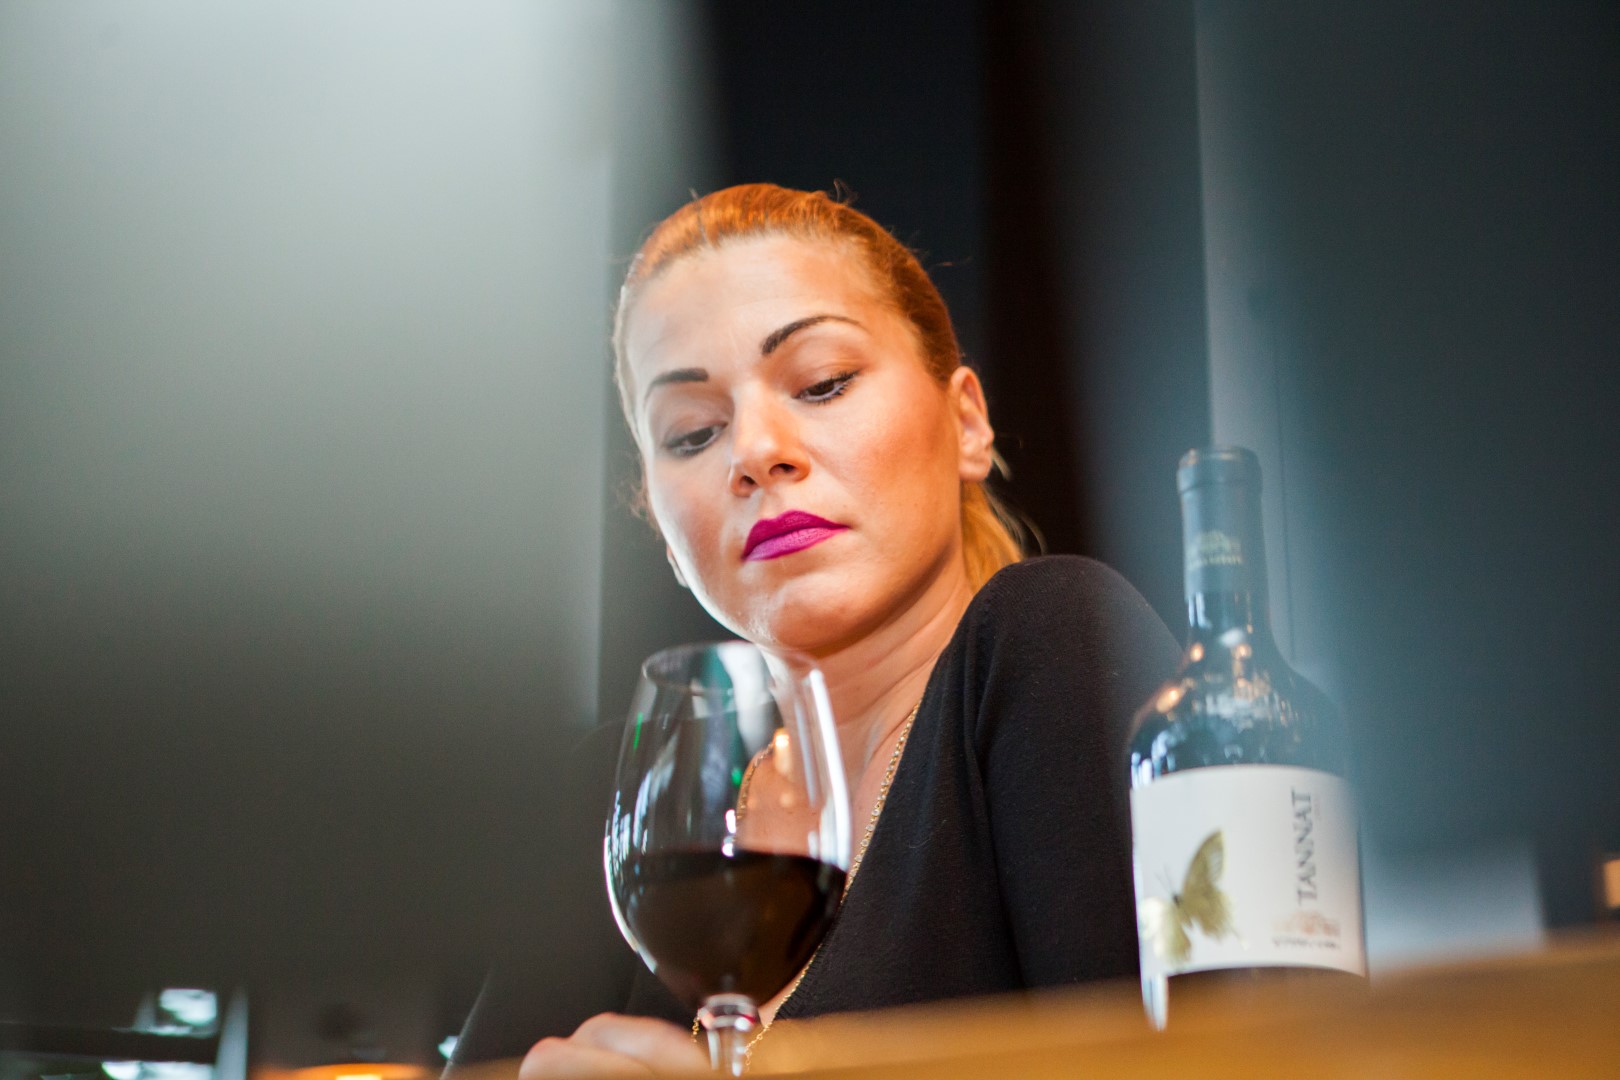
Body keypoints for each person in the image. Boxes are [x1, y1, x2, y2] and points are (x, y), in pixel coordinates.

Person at [452, 184, 1180, 1076]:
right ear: (662, 531)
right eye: (693, 434)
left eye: (823, 383)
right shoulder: (624, 802)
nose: (756, 452)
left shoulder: (1050, 641)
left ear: (965, 422)